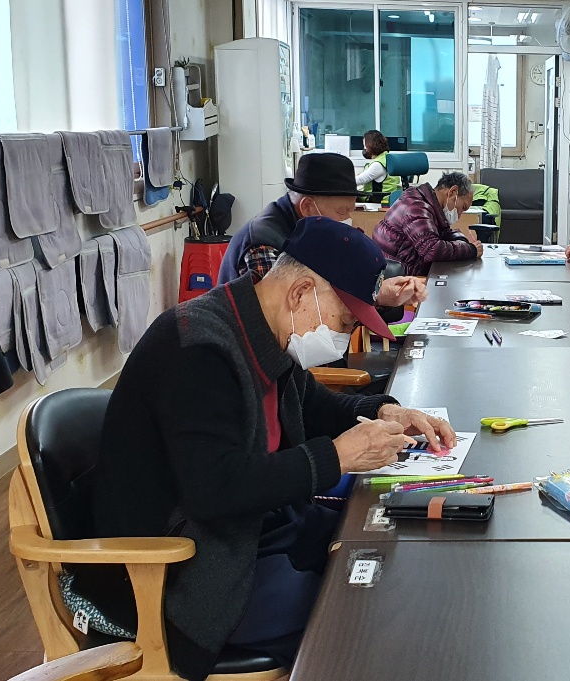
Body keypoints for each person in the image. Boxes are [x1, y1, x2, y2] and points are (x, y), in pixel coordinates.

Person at [85, 218, 457, 680]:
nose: (343, 337)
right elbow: (215, 490)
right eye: (344, 322)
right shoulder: (199, 349)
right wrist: (338, 456)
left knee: (381, 554)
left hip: (251, 532)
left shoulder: (263, 330)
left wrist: (386, 411)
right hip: (182, 572)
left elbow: (315, 406)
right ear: (300, 294)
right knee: (353, 614)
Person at [218, 152, 426, 318]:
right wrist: (375, 298)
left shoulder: (309, 233)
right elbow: (287, 316)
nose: (347, 220)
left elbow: (337, 285)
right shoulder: (264, 244)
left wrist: (379, 291)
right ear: (308, 207)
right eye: (341, 212)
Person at [373, 171, 484, 276]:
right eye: (463, 207)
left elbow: (444, 233)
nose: (459, 215)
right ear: (452, 192)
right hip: (396, 276)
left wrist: (461, 240)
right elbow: (432, 250)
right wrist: (471, 249)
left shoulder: (430, 205)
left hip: (405, 268)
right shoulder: (416, 207)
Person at [354, 130, 401, 205]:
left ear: (370, 145)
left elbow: (359, 180)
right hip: (387, 200)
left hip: (378, 202)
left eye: (365, 146)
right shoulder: (386, 158)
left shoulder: (378, 164)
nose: (364, 149)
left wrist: (340, 181)